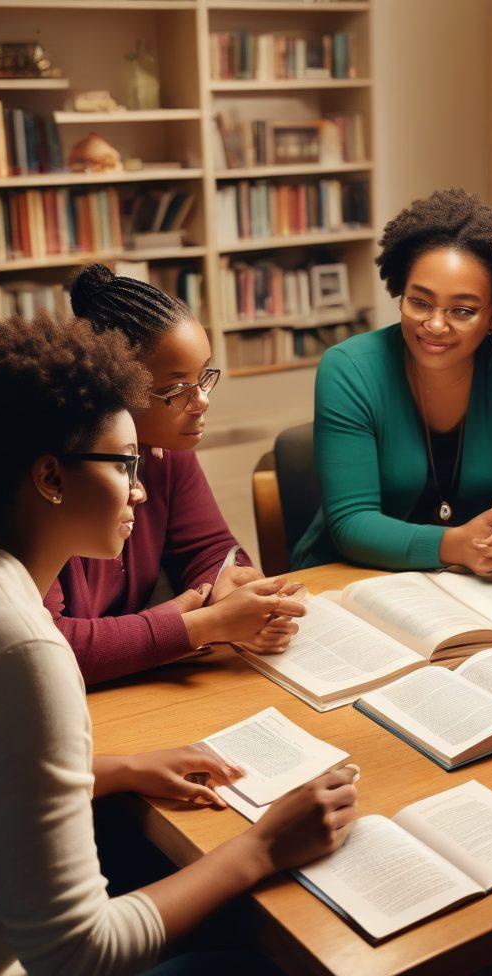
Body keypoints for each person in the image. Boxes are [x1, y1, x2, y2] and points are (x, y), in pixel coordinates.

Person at [0, 313, 358, 976]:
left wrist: (120, 768)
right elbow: (77, 960)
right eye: (125, 465)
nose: (142, 490)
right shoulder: (28, 653)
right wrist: (262, 847)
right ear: (50, 476)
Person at [290, 188, 492, 575]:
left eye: (462, 310)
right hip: (353, 576)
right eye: (420, 302)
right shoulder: (348, 368)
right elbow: (351, 522)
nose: (435, 325)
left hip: (475, 579)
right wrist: (457, 545)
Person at [45, 264, 301, 686]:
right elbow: (48, 645)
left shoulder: (167, 448)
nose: (200, 400)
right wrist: (203, 625)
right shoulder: (55, 481)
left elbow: (208, 545)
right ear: (116, 387)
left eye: (202, 377)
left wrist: (228, 584)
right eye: (177, 388)